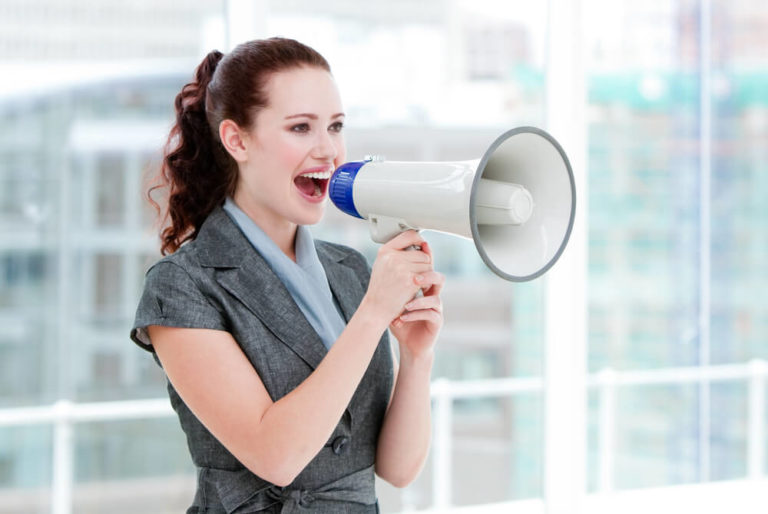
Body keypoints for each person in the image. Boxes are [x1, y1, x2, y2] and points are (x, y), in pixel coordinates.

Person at [130, 37, 444, 513]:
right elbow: (276, 456)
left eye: (336, 127)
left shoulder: (351, 270)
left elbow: (396, 471)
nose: (329, 151)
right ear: (237, 140)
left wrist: (417, 357)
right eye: (301, 127)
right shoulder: (183, 286)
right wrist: (374, 313)